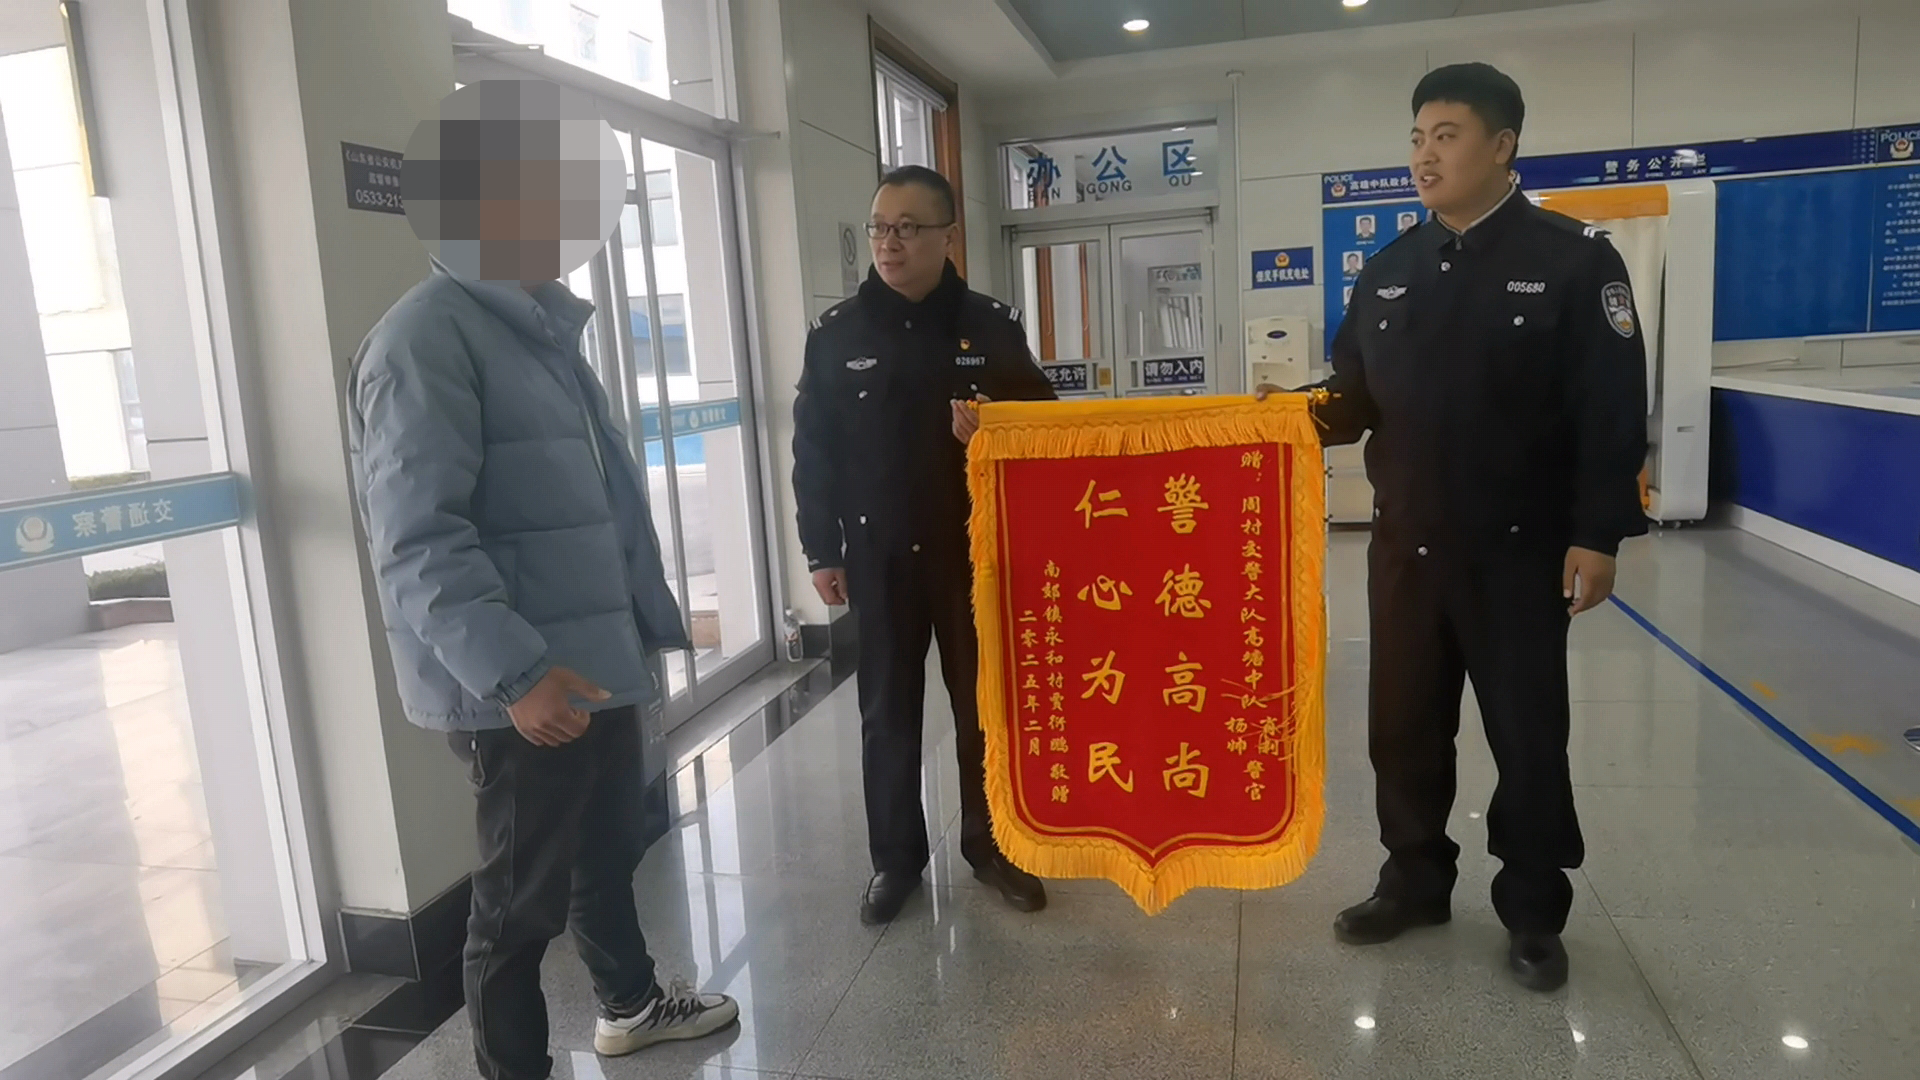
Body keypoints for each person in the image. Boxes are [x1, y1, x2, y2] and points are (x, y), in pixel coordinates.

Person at [348, 82, 737, 1080]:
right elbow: (417, 539)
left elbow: (590, 503)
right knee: (514, 912)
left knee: (604, 856)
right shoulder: (424, 339)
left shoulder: (537, 327)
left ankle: (631, 1008)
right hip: (522, 687)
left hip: (589, 659)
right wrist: (518, 676)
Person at [1259, 62, 1648, 992]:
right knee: (1403, 729)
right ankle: (1414, 880)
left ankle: (1533, 909)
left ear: (1502, 145)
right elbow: (1352, 397)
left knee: (1527, 735)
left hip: (1520, 553)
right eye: (1416, 138)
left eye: (1446, 136)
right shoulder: (1390, 270)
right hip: (1406, 552)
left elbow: (1610, 407)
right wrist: (1271, 418)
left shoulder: (1575, 259)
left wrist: (1598, 533)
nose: (1424, 156)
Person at [792, 166, 1060, 925]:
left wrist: (996, 423)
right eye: (880, 227)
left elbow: (1047, 424)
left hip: (974, 555)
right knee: (886, 712)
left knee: (985, 709)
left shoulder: (991, 326)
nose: (890, 243)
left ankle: (993, 845)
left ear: (949, 237)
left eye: (908, 228)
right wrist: (821, 549)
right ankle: (895, 860)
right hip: (877, 555)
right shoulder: (837, 334)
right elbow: (813, 450)